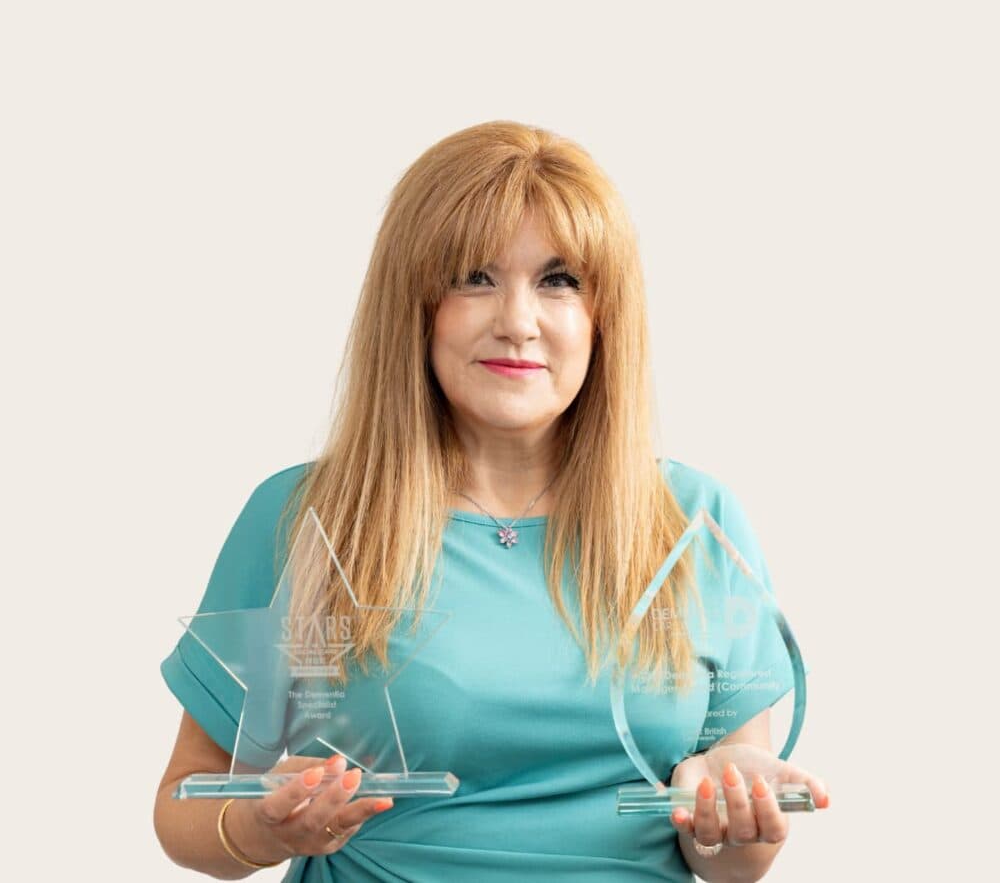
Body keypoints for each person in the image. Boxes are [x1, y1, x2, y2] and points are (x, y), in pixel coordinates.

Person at [153, 120, 829, 882]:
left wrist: (736, 822)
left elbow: (733, 866)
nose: (517, 321)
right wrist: (259, 826)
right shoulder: (304, 516)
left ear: (603, 318)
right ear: (414, 305)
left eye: (559, 280)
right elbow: (183, 807)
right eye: (474, 277)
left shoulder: (695, 522)